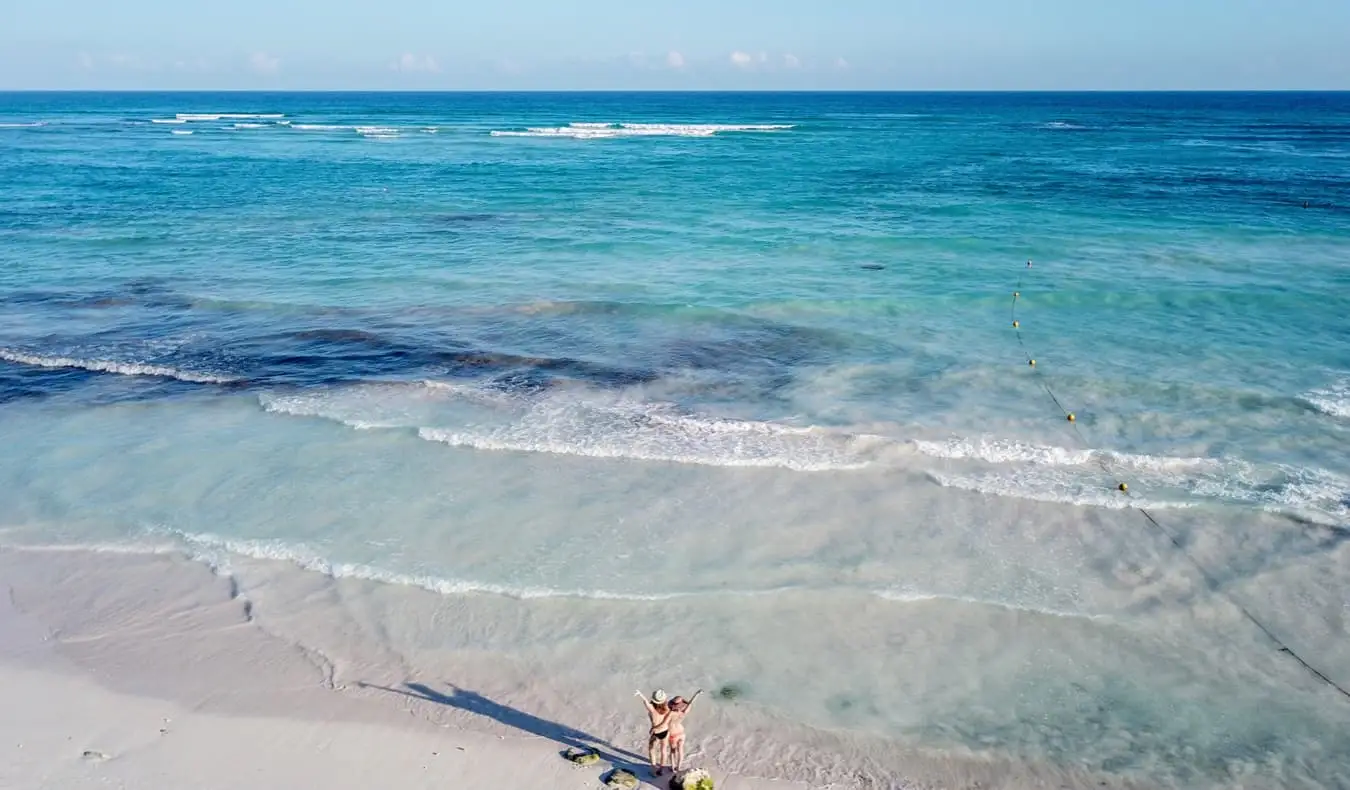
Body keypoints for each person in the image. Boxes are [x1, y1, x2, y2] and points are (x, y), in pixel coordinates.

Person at [665, 690, 703, 773]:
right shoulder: (683, 713)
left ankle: (672, 767)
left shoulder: (669, 713)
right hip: (681, 733)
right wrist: (696, 694)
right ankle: (678, 767)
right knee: (680, 750)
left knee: (672, 752)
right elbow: (690, 703)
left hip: (673, 734)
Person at [635, 689, 672, 775]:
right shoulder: (667, 709)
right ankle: (662, 769)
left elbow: (646, 702)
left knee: (652, 749)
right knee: (663, 750)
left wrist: (640, 694)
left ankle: (654, 769)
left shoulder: (652, 709)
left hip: (656, 733)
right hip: (665, 731)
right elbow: (666, 721)